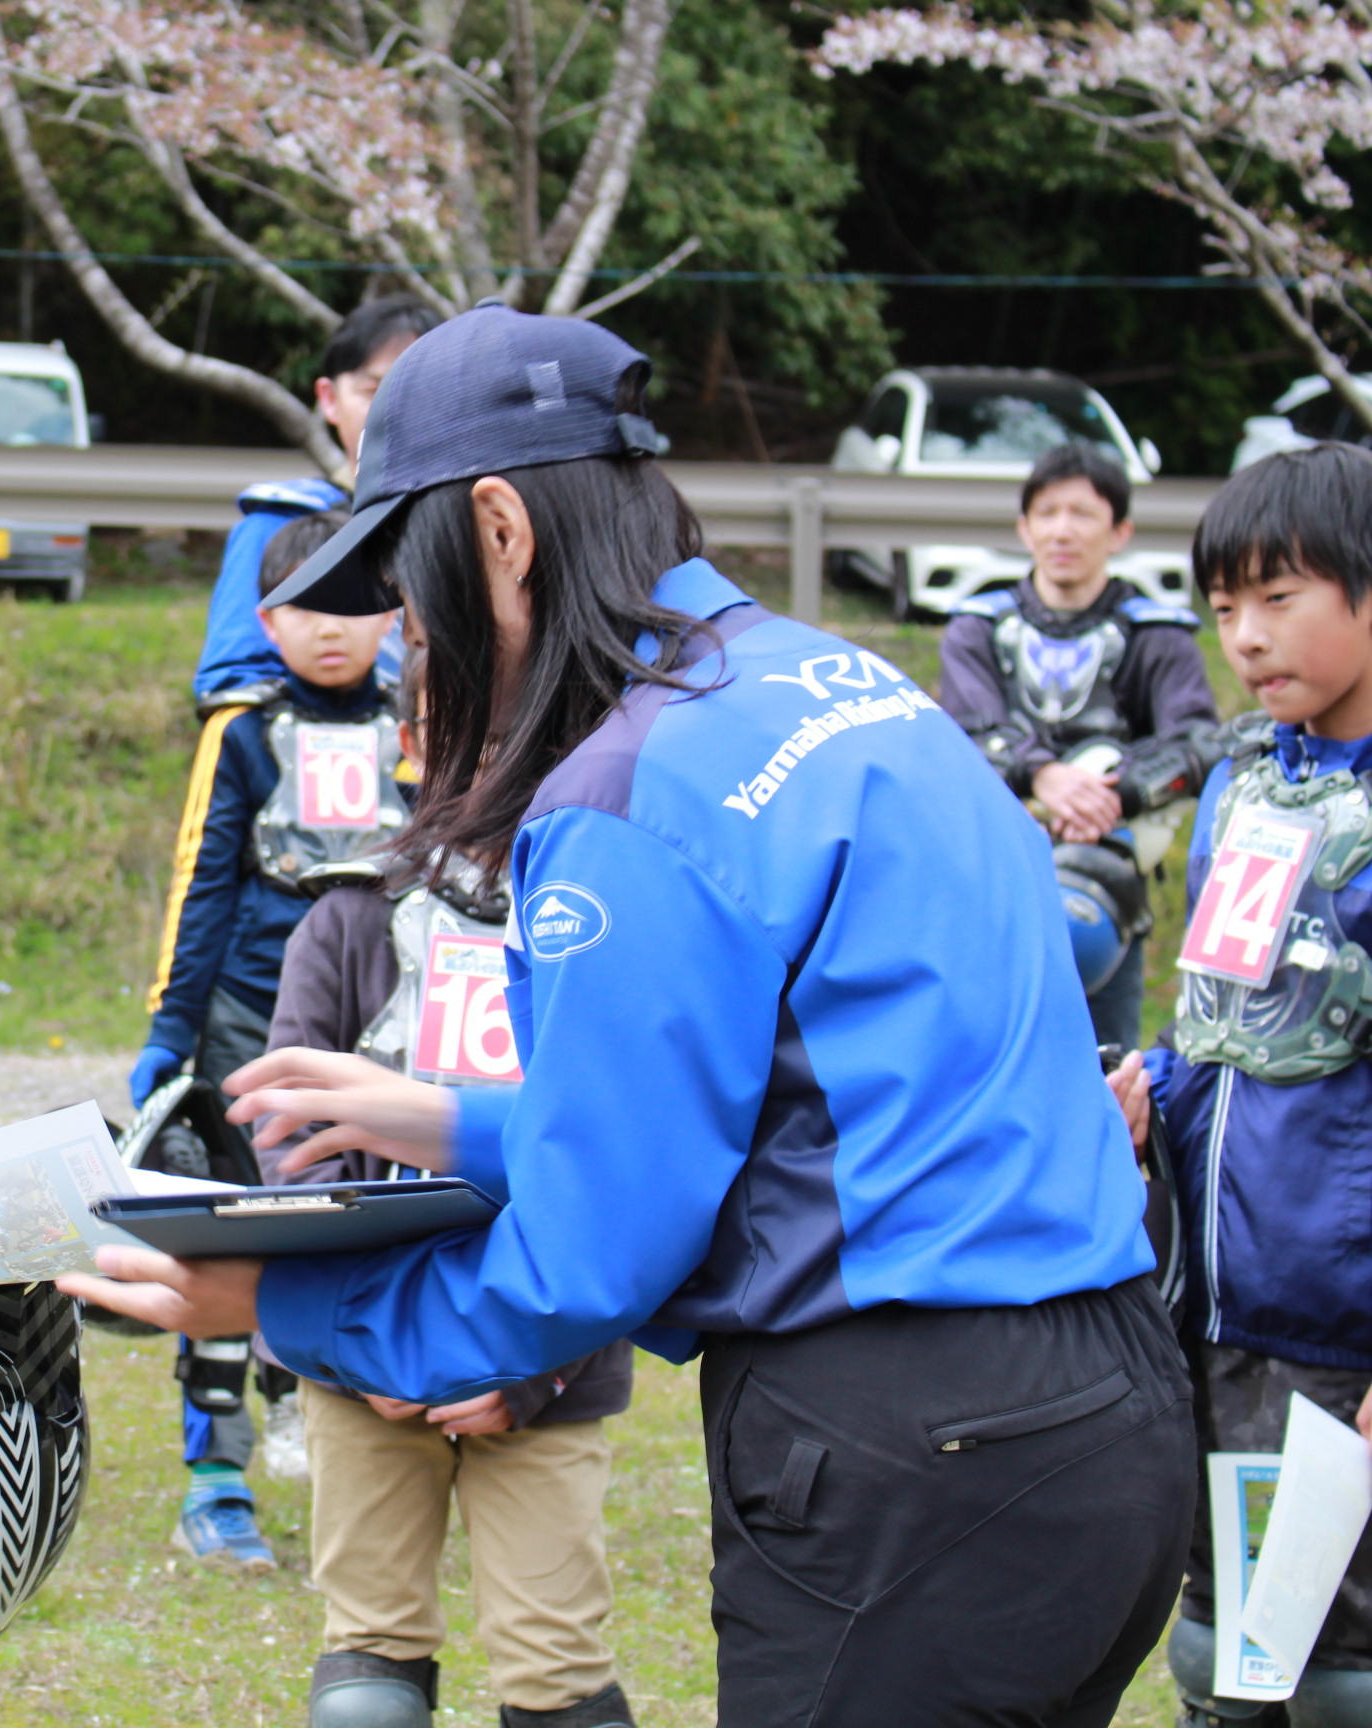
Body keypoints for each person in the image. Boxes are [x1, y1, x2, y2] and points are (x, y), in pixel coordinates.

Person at [68, 302, 1195, 1728]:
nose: (417, 641)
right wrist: (459, 1119)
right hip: (1105, 1415)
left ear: (498, 530)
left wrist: (281, 1302)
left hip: (907, 1453)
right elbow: (819, 1100)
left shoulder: (628, 792)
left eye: (412, 593)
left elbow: (579, 1267)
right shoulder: (842, 687)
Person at [269, 647, 635, 1728]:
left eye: (525, 728)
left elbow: (623, 1171)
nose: (490, 754)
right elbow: (288, 1146)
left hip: (545, 1362)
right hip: (361, 1360)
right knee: (368, 1678)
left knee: (557, 1670)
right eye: (458, 726)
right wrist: (368, 1337)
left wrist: (537, 1368)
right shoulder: (343, 919)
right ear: (410, 747)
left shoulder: (604, 939)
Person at [1133, 444, 1372, 1728]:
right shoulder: (1242, 789)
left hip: (1342, 1328)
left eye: (1279, 597)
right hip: (1215, 1305)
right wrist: (1150, 1086)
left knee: (1340, 1668)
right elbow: (1219, 1020)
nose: (1246, 636)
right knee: (1221, 1643)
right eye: (1225, 608)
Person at [135, 510, 405, 1573]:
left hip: (379, 1034)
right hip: (248, 1026)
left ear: (393, 616)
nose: (332, 631)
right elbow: (199, 883)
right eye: (307, 609)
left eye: (357, 607)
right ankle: (215, 1480)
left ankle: (333, 1435)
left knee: (350, 1237)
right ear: (265, 620)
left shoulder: (421, 722)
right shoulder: (242, 732)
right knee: (226, 1240)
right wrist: (167, 1033)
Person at [937, 442, 1220, 1046]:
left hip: (1108, 874)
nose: (1063, 530)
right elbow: (966, 729)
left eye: (1083, 514)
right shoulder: (977, 629)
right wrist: (1044, 776)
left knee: (1103, 1061)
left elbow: (1198, 741)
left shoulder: (1157, 635)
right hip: (996, 866)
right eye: (1048, 512)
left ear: (1120, 531)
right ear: (1024, 527)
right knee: (985, 1049)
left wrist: (1115, 794)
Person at [194, 296, 438, 704]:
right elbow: (234, 683)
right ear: (328, 398)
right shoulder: (277, 523)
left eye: (419, 390)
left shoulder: (487, 523)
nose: (395, 410)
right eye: (374, 390)